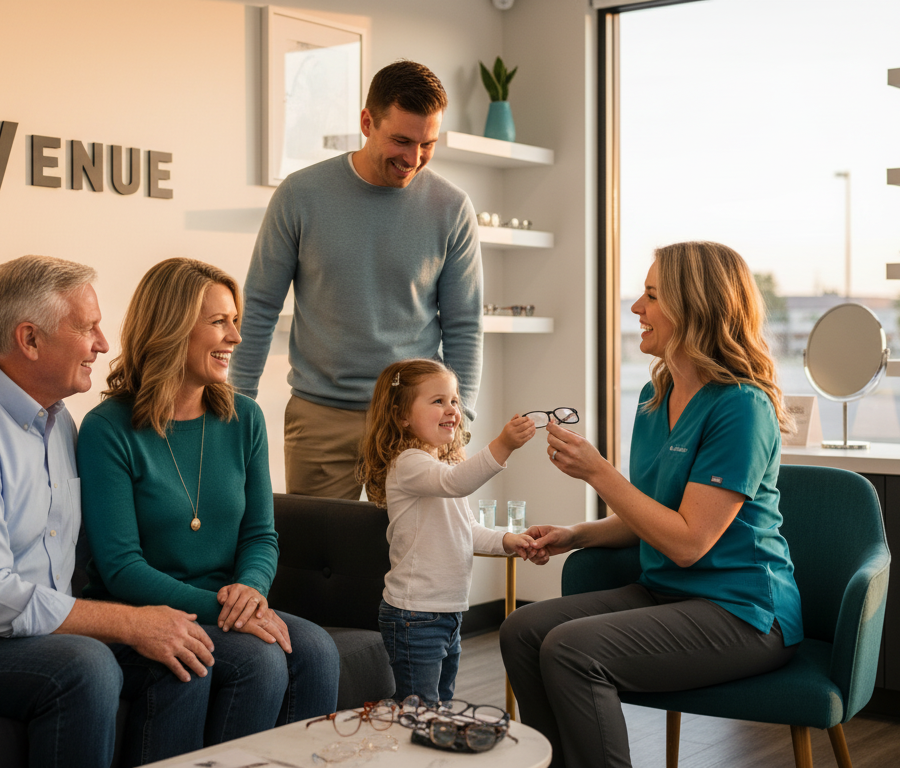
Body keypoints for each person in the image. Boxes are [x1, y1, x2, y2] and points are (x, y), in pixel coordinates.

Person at [0, 255, 215, 768]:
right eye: (87, 328)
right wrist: (131, 623)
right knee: (86, 666)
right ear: (30, 339)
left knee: (186, 659)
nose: (103, 344)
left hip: (25, 632)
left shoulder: (58, 423)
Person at [500, 241, 803, 768]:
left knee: (571, 650)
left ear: (694, 308)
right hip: (667, 594)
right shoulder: (652, 398)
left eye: (652, 295)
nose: (636, 308)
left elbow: (688, 541)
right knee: (523, 631)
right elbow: (652, 515)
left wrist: (599, 472)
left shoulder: (742, 406)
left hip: (745, 613)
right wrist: (577, 534)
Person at [78, 257, 340, 764]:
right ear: (172, 327)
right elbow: (120, 568)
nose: (236, 337)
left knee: (318, 652)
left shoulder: (245, 418)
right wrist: (228, 612)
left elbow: (261, 534)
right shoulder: (107, 430)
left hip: (229, 607)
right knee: (260, 662)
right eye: (219, 321)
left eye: (235, 320)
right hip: (142, 616)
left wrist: (251, 592)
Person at [230, 59, 483, 500]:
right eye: (401, 140)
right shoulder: (300, 195)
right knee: (317, 560)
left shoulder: (452, 207)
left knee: (415, 559)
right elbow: (259, 307)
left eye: (427, 144)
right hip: (321, 416)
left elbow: (463, 324)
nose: (413, 159)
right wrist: (238, 406)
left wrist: (459, 419)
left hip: (414, 418)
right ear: (367, 122)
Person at [356, 358, 536, 704]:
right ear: (401, 415)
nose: (452, 409)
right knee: (420, 710)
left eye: (454, 400)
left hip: (446, 613)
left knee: (439, 705)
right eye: (437, 401)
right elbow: (457, 483)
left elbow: (466, 529)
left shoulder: (439, 466)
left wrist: (508, 541)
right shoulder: (408, 464)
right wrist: (504, 444)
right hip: (415, 615)